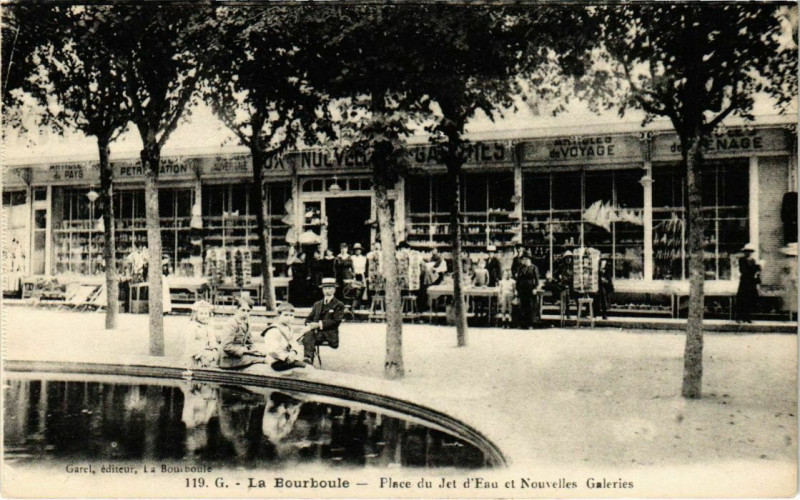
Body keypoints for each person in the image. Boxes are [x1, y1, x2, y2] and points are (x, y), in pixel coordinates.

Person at [301, 278, 344, 365]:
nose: (327, 291)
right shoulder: (317, 304)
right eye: (325, 288)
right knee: (309, 335)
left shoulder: (338, 304)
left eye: (330, 288)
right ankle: (308, 359)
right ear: (322, 290)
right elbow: (308, 318)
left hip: (328, 334)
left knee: (309, 337)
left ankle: (308, 359)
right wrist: (310, 324)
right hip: (315, 333)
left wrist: (319, 325)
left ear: (334, 290)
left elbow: (336, 321)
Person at [218, 297, 266, 370]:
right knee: (263, 361)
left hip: (240, 355)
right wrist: (246, 351)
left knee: (264, 356)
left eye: (248, 311)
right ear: (237, 310)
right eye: (243, 310)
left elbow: (250, 342)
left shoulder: (247, 323)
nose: (245, 313)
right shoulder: (232, 323)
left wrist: (255, 350)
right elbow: (226, 347)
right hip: (229, 358)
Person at [259, 302, 307, 371]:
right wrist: (286, 357)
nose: (289, 318)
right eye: (286, 315)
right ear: (278, 316)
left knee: (306, 366)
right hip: (276, 361)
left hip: (288, 358)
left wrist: (294, 352)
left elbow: (294, 343)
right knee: (304, 367)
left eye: (291, 315)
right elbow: (272, 350)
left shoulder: (289, 328)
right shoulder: (273, 330)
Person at [186, 300, 218, 368]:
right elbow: (190, 343)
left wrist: (214, 350)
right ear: (196, 314)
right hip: (196, 354)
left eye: (206, 314)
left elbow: (212, 340)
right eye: (201, 313)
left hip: (207, 353)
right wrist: (201, 357)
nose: (204, 316)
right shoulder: (192, 326)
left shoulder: (209, 326)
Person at [735, 243, 761, 323]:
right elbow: (743, 271)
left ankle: (748, 317)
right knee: (742, 299)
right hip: (744, 282)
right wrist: (755, 268)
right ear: (744, 252)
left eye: (750, 251)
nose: (748, 253)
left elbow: (755, 272)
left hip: (751, 282)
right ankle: (739, 317)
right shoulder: (742, 260)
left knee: (750, 300)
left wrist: (758, 270)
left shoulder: (753, 261)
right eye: (746, 251)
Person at [515, 251, 540, 328]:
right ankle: (523, 324)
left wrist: (535, 288)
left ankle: (531, 324)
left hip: (530, 289)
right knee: (523, 306)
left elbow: (537, 280)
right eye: (523, 259)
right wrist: (517, 289)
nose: (523, 261)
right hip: (522, 289)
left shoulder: (534, 268)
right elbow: (518, 280)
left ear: (529, 259)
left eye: (525, 259)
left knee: (531, 306)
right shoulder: (520, 268)